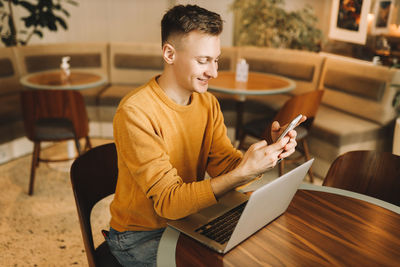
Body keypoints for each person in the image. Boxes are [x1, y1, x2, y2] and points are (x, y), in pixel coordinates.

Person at [105, 4, 305, 266]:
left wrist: (267, 153)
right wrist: (242, 173)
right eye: (203, 61)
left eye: (216, 59)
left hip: (189, 220)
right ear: (169, 53)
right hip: (140, 235)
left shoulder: (207, 104)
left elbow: (227, 168)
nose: (213, 72)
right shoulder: (135, 112)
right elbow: (167, 203)